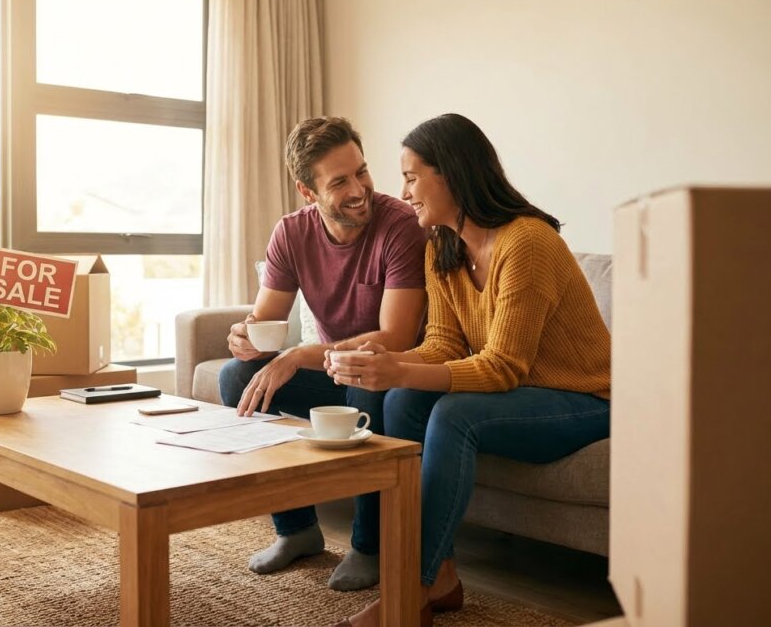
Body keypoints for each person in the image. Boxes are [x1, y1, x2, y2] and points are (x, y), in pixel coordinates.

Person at [326, 113, 611, 626]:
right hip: (523, 395)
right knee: (402, 400)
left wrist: (400, 369)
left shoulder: (527, 243)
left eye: (412, 176)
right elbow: (444, 345)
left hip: (584, 400)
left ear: (452, 174)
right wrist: (386, 363)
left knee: (455, 414)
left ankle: (411, 588)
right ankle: (444, 575)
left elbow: (502, 367)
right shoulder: (443, 246)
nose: (404, 191)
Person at [220, 116, 428, 591]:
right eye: (340, 181)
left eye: (361, 171)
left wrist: (299, 354)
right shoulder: (291, 233)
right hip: (333, 370)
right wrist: (246, 338)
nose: (360, 189)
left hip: (389, 370)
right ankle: (297, 531)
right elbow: (264, 320)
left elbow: (395, 337)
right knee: (238, 376)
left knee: (374, 386)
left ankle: (369, 546)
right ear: (307, 191)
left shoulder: (401, 228)